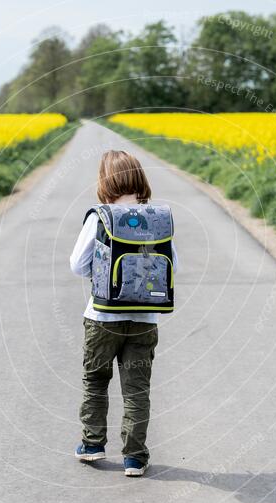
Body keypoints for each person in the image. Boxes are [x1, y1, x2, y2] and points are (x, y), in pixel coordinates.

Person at [69, 150, 177, 477]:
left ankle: (92, 444)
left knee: (96, 380)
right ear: (139, 179)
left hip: (102, 318)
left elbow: (77, 265)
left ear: (105, 183)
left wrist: (99, 273)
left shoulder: (100, 216)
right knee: (136, 388)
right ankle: (134, 457)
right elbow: (175, 265)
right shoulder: (158, 217)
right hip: (145, 319)